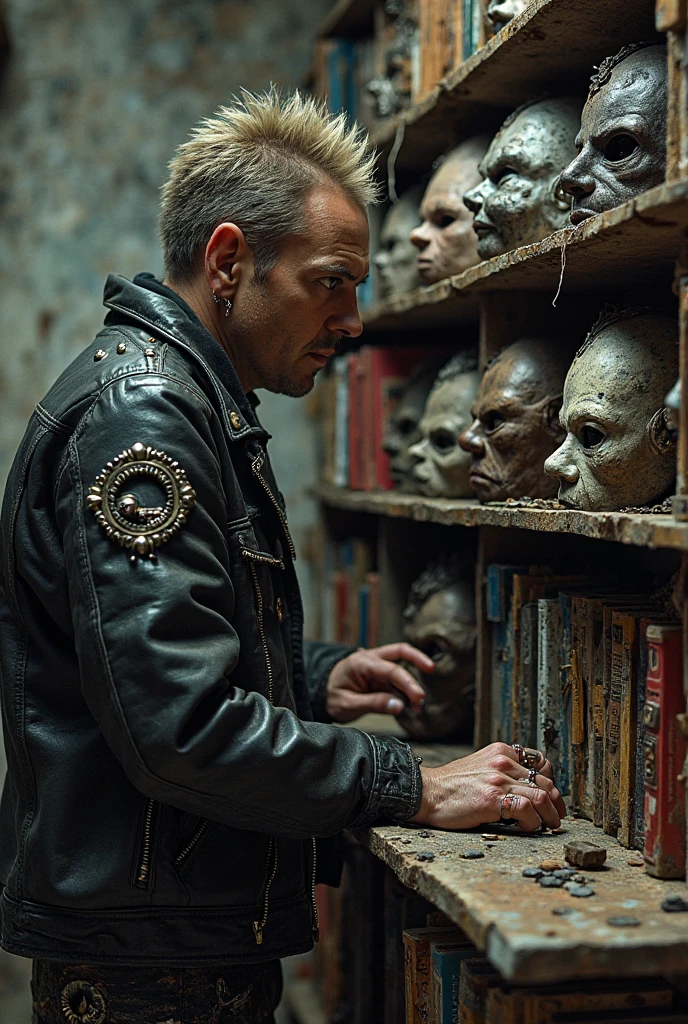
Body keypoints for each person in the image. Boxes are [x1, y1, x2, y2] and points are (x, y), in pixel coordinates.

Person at [0, 89, 564, 1024]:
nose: (353, 320)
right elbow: (179, 729)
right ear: (229, 262)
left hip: (164, 939)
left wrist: (312, 678)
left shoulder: (185, 401)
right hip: (153, 966)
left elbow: (141, 664)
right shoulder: (147, 416)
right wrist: (414, 784)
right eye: (332, 281)